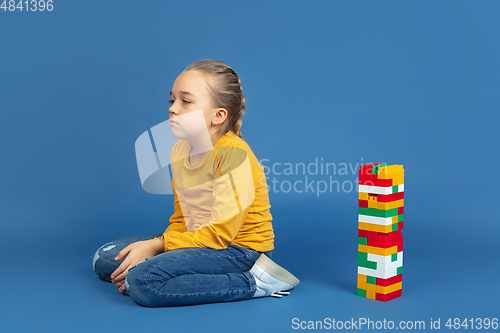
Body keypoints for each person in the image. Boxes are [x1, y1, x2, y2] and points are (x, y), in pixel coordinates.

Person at [92, 59, 299, 307]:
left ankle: (256, 282)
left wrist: (158, 247)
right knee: (105, 259)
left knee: (143, 282)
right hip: (199, 240)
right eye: (172, 100)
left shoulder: (234, 156)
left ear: (217, 116)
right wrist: (161, 247)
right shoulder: (180, 150)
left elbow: (220, 236)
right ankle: (172, 274)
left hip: (239, 251)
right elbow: (183, 216)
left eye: (186, 101)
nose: (173, 108)